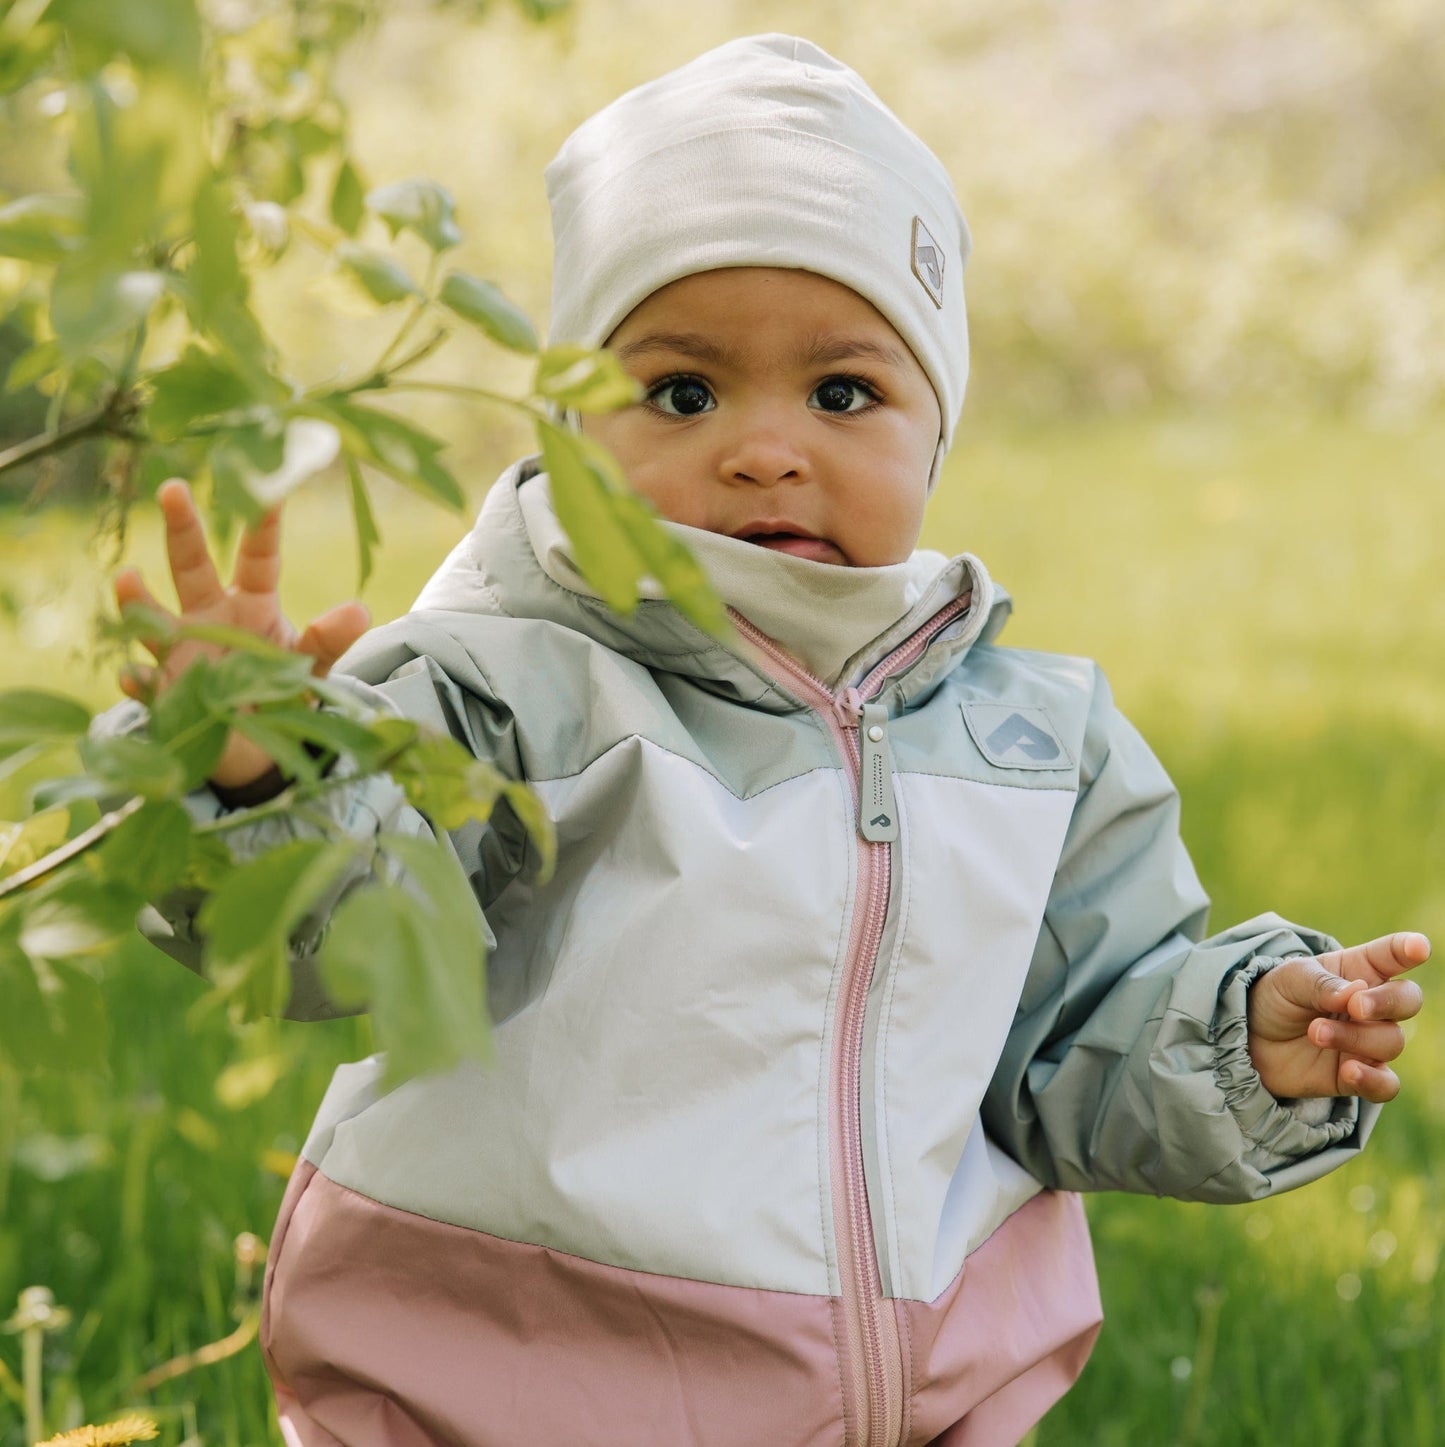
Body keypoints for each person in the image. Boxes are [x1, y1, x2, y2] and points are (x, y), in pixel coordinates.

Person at [98, 34, 1430, 1447]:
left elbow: (1079, 1043)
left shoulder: (1034, 745)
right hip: (509, 1389)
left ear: (935, 433)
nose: (763, 448)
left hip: (904, 1407)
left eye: (842, 394)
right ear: (569, 434)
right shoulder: (505, 684)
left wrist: (1238, 1044)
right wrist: (255, 775)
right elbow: (345, 939)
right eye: (682, 393)